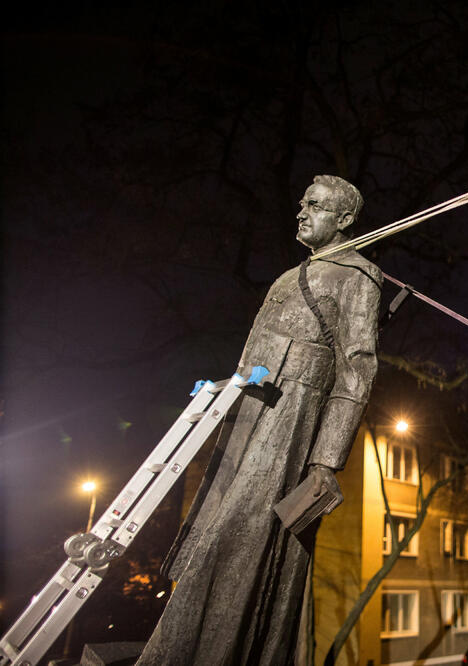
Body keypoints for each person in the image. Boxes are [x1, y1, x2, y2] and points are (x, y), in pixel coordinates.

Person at [137, 175, 381, 665]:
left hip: (293, 418)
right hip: (251, 411)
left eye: (314, 205)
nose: (301, 211)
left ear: (345, 220)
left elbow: (357, 368)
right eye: (302, 203)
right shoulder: (289, 277)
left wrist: (325, 459)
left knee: (243, 533)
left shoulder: (359, 276)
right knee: (217, 525)